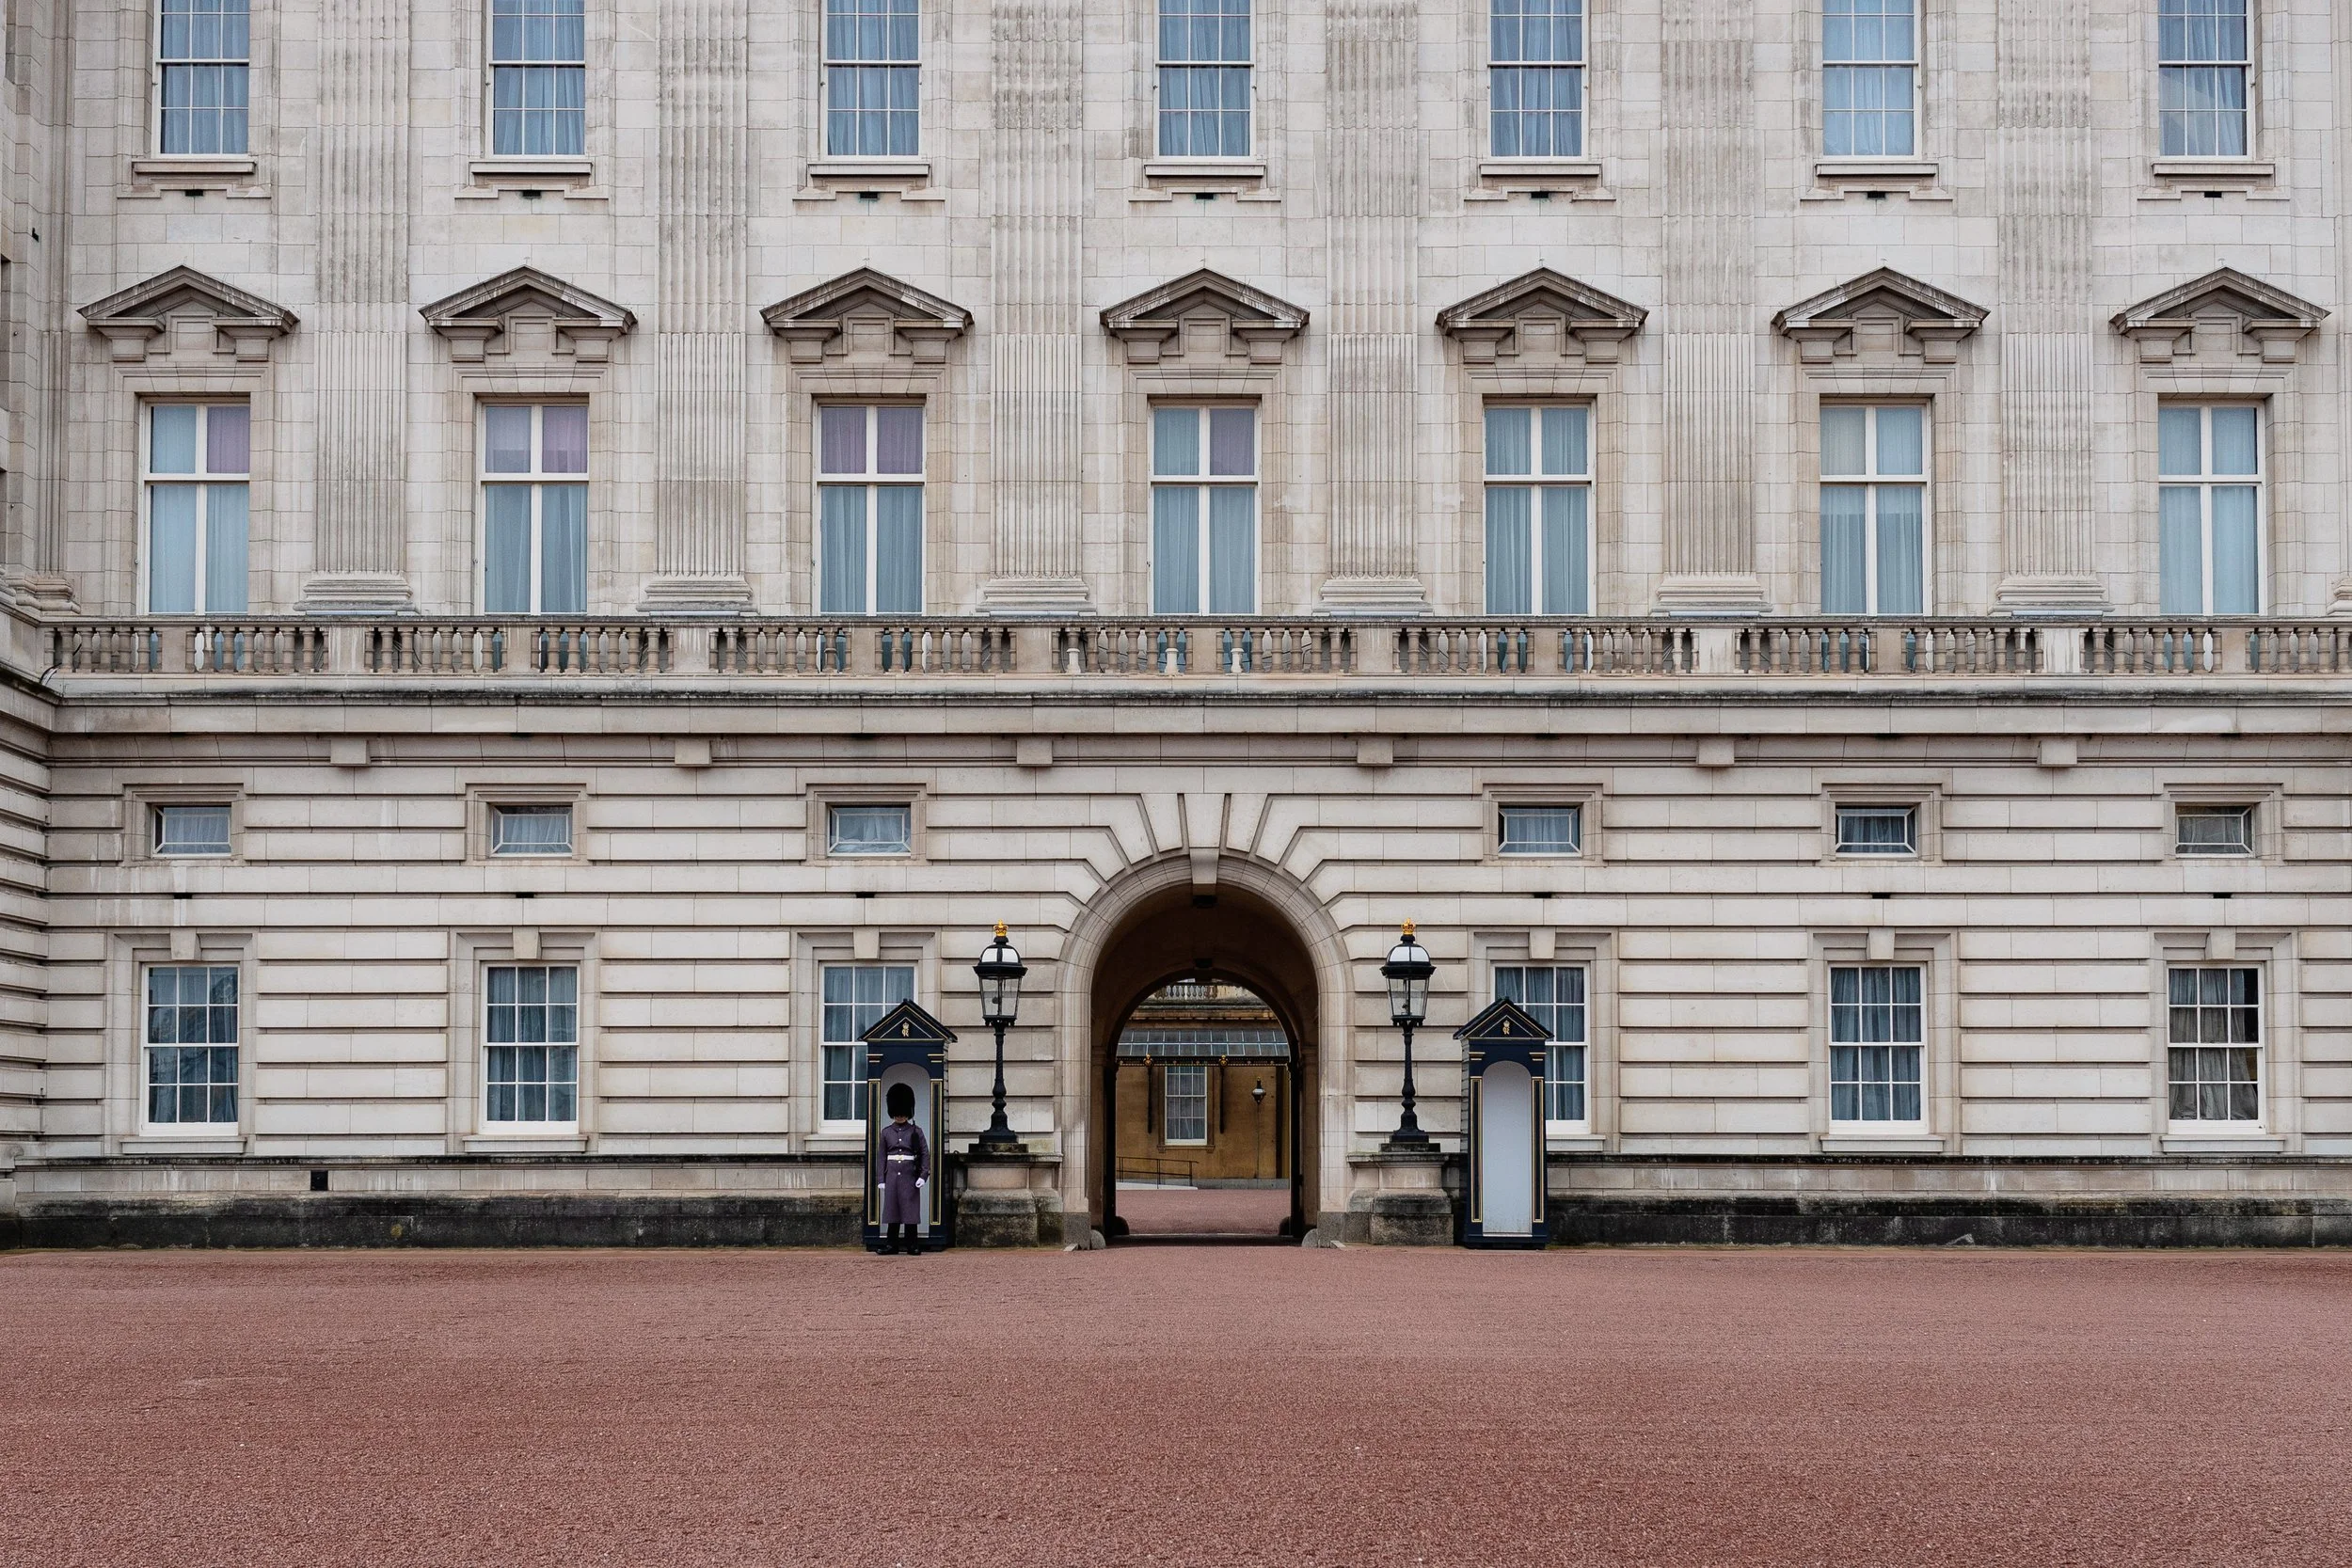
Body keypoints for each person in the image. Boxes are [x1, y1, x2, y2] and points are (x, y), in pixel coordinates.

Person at [877, 1081, 929, 1255]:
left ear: (908, 1112)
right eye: (897, 1113)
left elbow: (924, 1154)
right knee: (892, 1210)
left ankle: (912, 1244)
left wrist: (923, 1175)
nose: (899, 1117)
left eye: (902, 1113)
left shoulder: (916, 1131)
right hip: (891, 1175)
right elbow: (882, 1157)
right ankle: (892, 1244)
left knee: (910, 1210)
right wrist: (881, 1179)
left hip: (909, 1175)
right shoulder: (886, 1132)